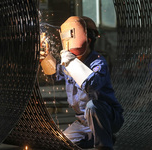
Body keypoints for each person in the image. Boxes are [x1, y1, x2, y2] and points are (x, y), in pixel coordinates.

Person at [40, 16, 124, 150]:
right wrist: (45, 57)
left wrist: (71, 62)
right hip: (83, 122)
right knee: (60, 144)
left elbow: (92, 85)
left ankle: (104, 145)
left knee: (93, 106)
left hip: (107, 118)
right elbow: (54, 74)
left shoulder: (98, 62)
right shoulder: (70, 63)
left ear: (88, 40)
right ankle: (98, 137)